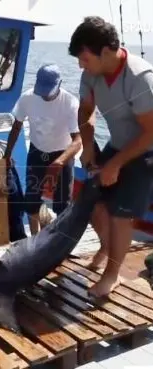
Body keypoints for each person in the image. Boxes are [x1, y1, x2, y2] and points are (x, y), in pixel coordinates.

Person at [68, 16, 153, 297]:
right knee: (88, 199)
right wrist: (89, 146)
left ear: (106, 52)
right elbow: (85, 111)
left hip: (146, 150)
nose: (81, 65)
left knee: (120, 214)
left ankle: (112, 274)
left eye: (85, 58)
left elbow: (150, 133)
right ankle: (108, 248)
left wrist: (115, 165)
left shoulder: (140, 78)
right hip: (117, 143)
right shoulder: (91, 74)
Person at [4, 63, 82, 235]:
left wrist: (59, 162)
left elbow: (77, 141)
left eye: (49, 90)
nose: (45, 95)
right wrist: (7, 154)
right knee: (31, 200)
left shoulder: (70, 103)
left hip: (63, 153)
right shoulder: (27, 98)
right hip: (37, 151)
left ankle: (59, 240)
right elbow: (16, 126)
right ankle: (35, 238)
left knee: (63, 204)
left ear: (60, 84)